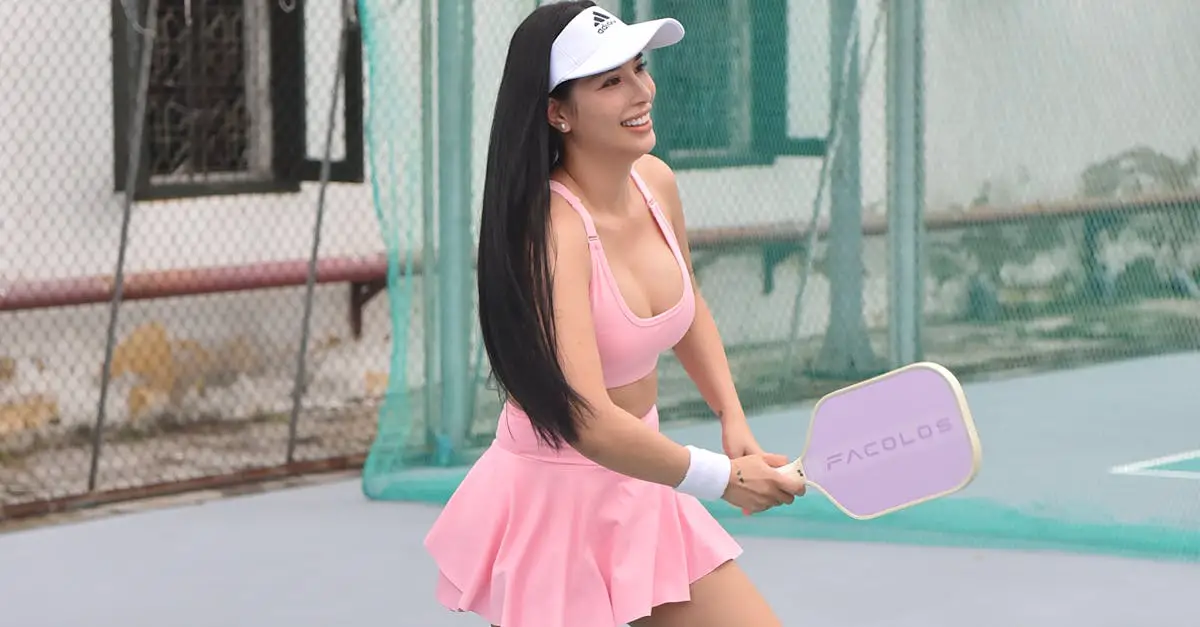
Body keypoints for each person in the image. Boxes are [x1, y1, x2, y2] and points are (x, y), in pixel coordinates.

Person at [424, 2, 807, 626]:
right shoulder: (552, 234)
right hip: (555, 499)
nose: (642, 92)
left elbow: (688, 304)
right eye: (610, 81)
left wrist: (731, 415)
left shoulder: (657, 182)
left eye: (640, 68)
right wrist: (722, 478)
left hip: (645, 474)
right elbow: (586, 422)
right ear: (558, 113)